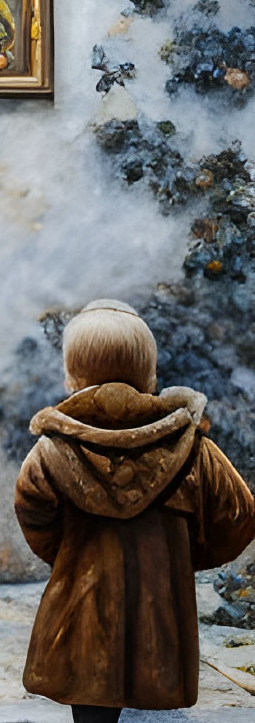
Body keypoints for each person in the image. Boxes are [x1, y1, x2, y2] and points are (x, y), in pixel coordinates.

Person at [15, 298, 255, 723]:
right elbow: (238, 515)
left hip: (82, 612)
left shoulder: (52, 450)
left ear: (72, 375)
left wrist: (67, 555)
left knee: (88, 696)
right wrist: (183, 555)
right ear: (149, 373)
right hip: (158, 621)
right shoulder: (191, 447)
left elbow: (31, 509)